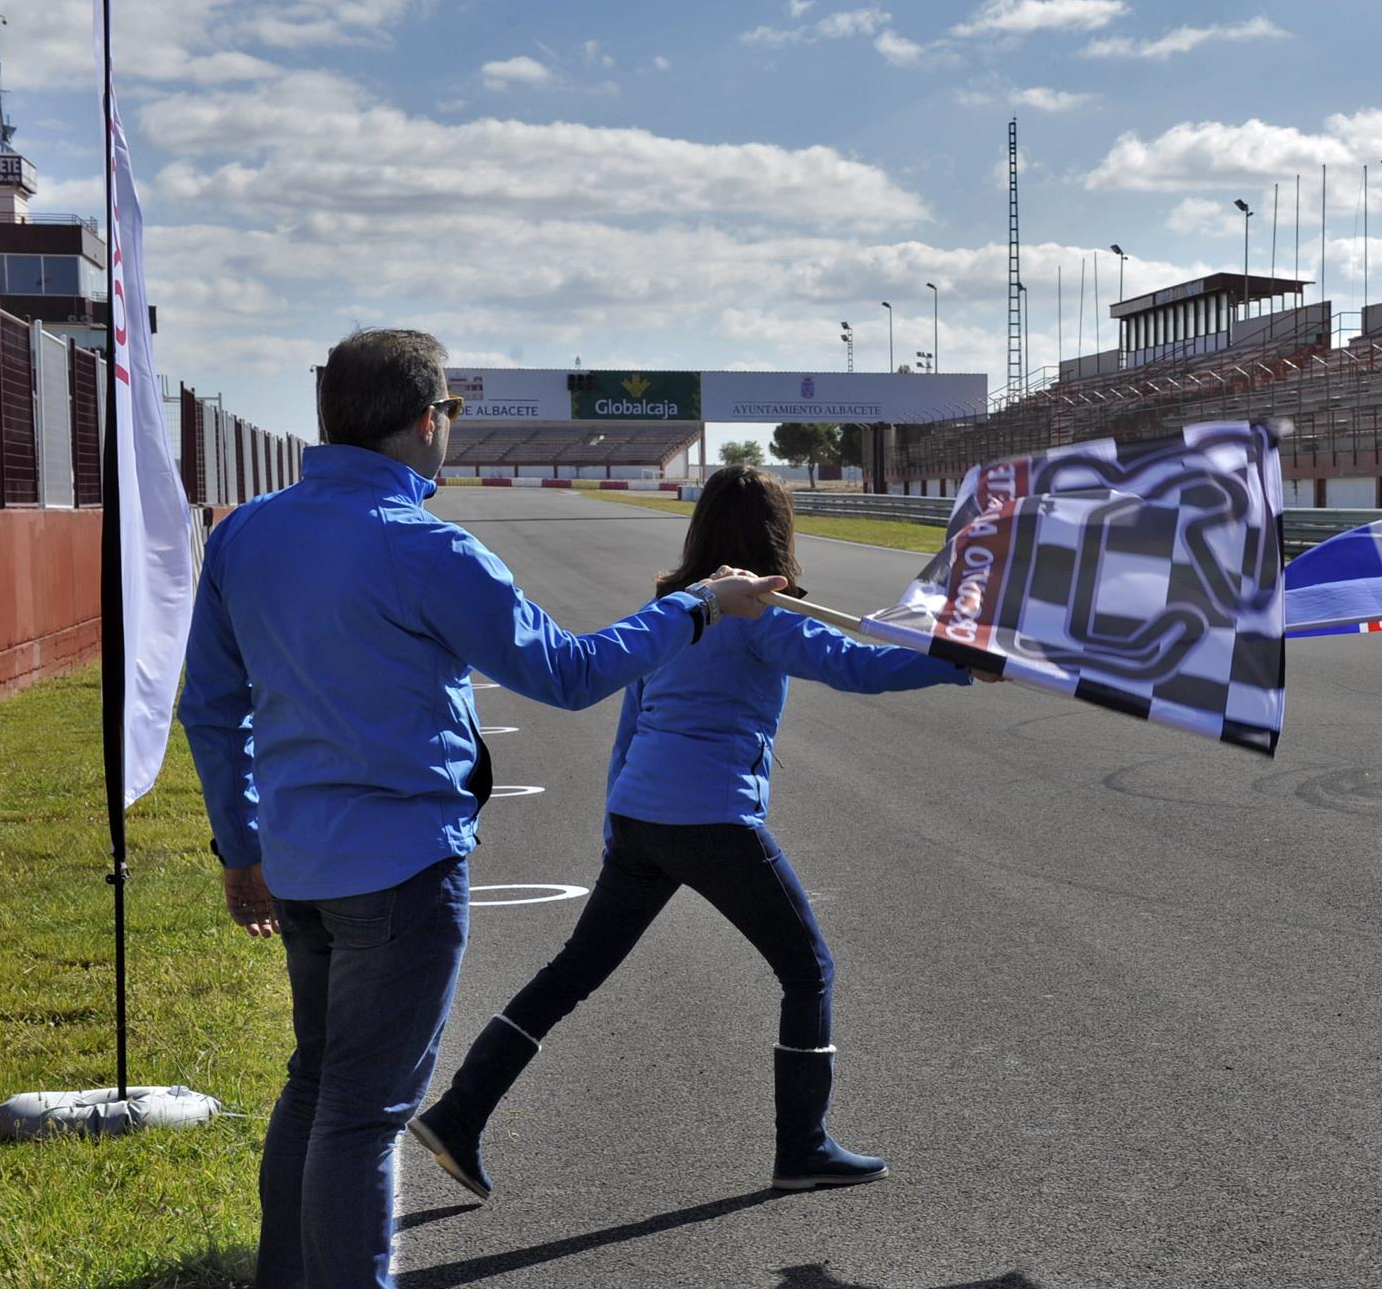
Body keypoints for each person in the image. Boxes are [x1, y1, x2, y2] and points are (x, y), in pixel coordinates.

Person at [179, 328, 785, 1289]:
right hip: (401, 864)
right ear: (424, 421)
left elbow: (212, 709)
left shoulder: (245, 534)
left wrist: (239, 849)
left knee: (317, 1083)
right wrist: (697, 606)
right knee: (364, 1112)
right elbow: (563, 674)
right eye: (448, 413)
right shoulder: (428, 547)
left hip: (301, 862)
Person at [410, 466, 984, 1203]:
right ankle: (803, 1146)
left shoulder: (676, 607)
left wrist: (618, 825)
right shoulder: (759, 613)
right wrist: (956, 667)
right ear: (777, 534)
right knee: (808, 971)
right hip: (712, 817)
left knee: (571, 975)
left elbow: (631, 717)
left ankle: (460, 1112)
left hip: (643, 815)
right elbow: (857, 668)